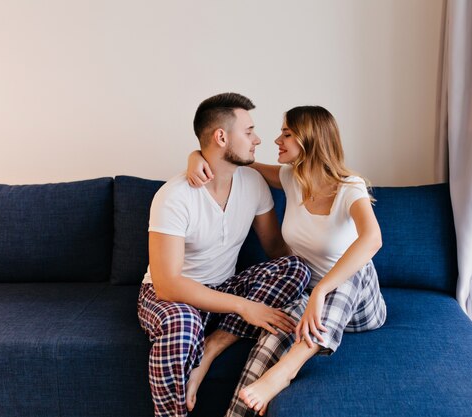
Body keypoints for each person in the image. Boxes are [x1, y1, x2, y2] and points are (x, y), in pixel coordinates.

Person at [187, 105, 387, 416]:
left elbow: (372, 239)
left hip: (361, 306)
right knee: (273, 335)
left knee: (354, 271)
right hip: (311, 301)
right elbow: (241, 163)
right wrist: (195, 156)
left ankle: (287, 370)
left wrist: (320, 292)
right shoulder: (291, 178)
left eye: (287, 133)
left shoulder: (349, 188)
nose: (277, 139)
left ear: (311, 139)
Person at [137, 93, 311, 417]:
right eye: (248, 131)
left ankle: (212, 347)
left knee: (296, 269)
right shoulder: (174, 197)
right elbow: (167, 284)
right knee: (183, 324)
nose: (257, 139)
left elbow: (276, 251)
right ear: (221, 136)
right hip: (175, 297)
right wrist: (246, 307)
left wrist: (315, 288)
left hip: (225, 287)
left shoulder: (253, 183)